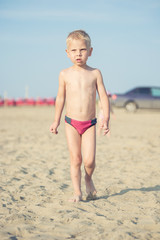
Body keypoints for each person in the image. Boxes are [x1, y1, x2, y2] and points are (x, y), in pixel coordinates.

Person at [50, 30, 110, 202]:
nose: (78, 54)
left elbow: (103, 96)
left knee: (89, 161)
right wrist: (56, 121)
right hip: (71, 123)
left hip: (90, 123)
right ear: (67, 53)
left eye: (83, 50)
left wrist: (106, 118)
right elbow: (60, 98)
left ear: (90, 51)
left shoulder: (95, 73)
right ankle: (77, 192)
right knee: (76, 159)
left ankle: (88, 178)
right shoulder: (64, 74)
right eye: (74, 51)